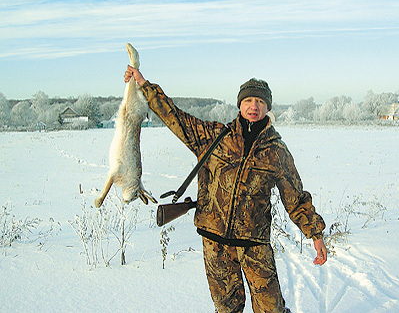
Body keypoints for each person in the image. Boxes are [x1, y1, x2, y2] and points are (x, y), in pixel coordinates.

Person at [125, 65, 327, 313]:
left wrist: (315, 233)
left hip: (254, 244)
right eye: (249, 100)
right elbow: (175, 118)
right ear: (240, 105)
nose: (254, 107)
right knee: (227, 309)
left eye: (261, 102)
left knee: (271, 309)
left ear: (268, 108)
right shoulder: (215, 136)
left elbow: (295, 199)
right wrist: (144, 85)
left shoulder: (277, 151)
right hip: (215, 243)